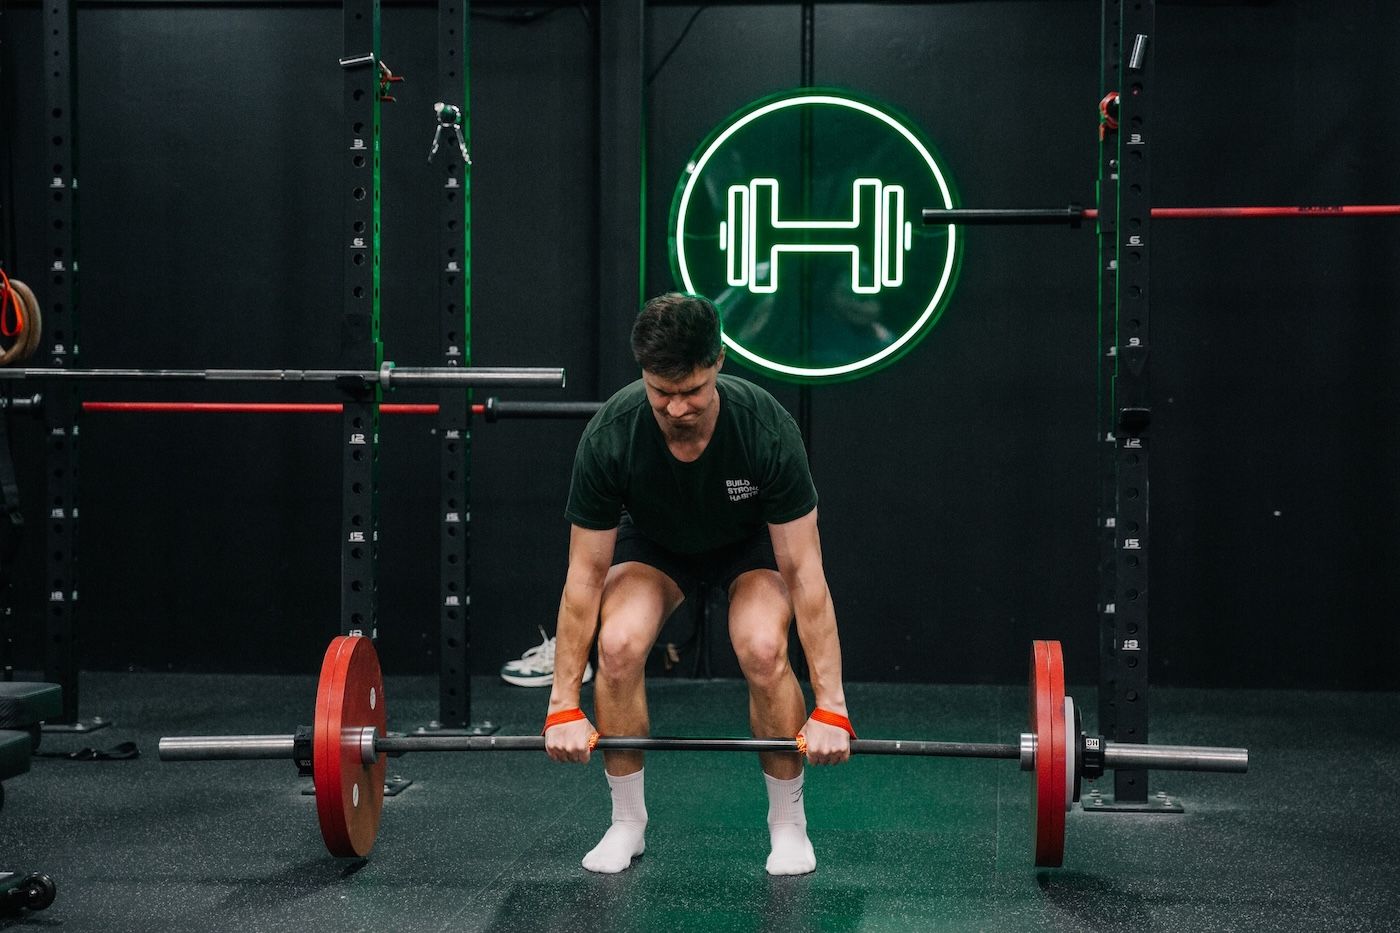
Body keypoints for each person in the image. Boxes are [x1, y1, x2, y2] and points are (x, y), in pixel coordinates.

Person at [543, 292, 853, 876]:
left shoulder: (765, 428)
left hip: (747, 545)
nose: (678, 407)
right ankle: (626, 823)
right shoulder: (612, 432)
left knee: (763, 648)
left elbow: (805, 574)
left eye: (693, 391)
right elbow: (583, 577)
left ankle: (788, 827)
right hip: (657, 544)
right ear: (643, 375)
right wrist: (562, 703)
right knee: (616, 646)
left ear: (718, 365)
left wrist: (831, 706)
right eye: (662, 392)